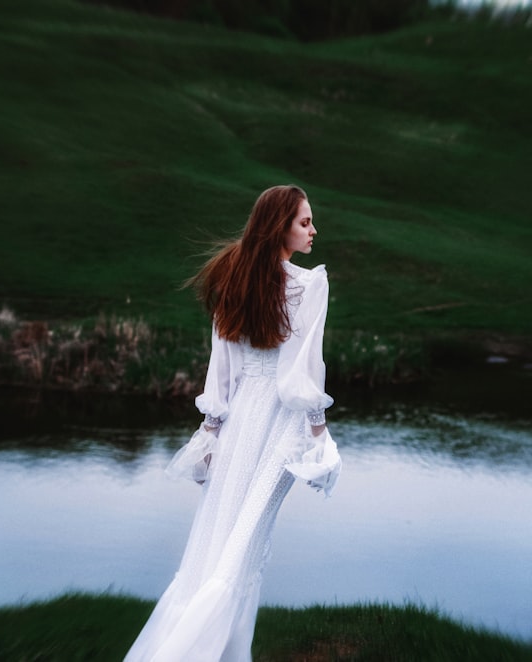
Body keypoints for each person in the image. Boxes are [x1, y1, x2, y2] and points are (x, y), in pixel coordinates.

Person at [124, 185, 341, 661]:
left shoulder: (232, 277)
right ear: (280, 225)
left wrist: (212, 428)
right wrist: (319, 432)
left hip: (240, 416)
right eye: (305, 221)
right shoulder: (310, 285)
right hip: (278, 425)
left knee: (218, 546)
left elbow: (221, 369)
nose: (313, 230)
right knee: (238, 553)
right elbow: (301, 372)